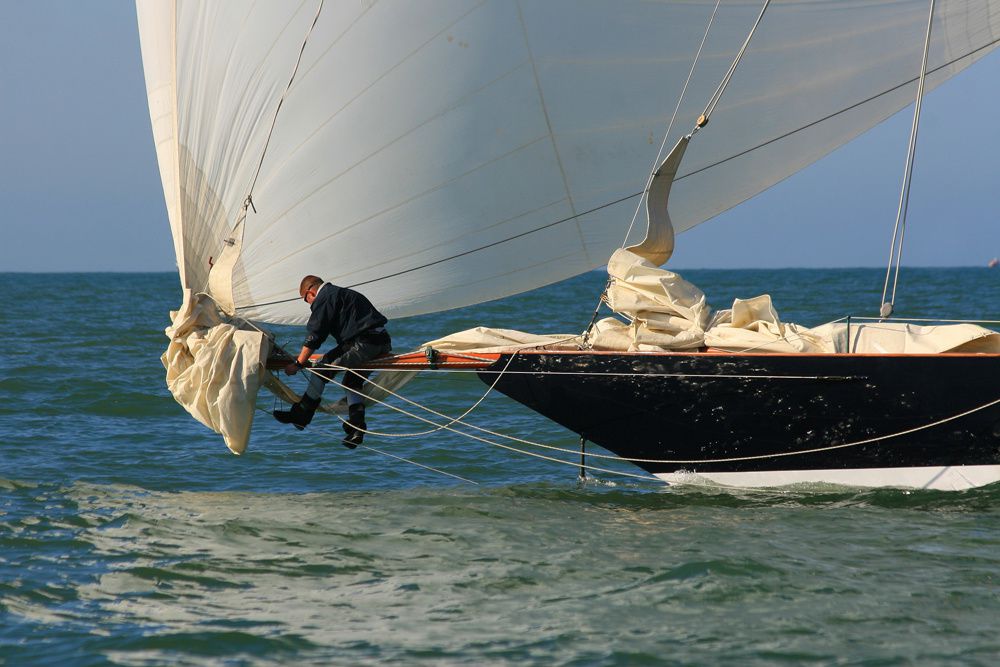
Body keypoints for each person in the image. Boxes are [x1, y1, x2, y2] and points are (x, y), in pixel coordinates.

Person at [274, 275, 391, 448]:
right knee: (352, 380)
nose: (309, 305)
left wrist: (298, 364)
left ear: (311, 292)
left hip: (365, 343)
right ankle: (356, 429)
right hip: (380, 341)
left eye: (306, 300)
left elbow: (315, 336)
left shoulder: (324, 297)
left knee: (321, 369)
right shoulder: (339, 293)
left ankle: (302, 415)